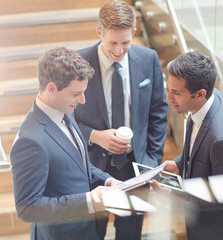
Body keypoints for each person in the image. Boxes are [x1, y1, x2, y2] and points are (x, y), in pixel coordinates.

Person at [74, 0, 168, 239]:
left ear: (134, 33)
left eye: (125, 42)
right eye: (112, 42)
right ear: (99, 32)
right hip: (92, 169)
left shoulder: (149, 59)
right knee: (91, 234)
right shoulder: (78, 63)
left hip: (135, 169)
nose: (118, 50)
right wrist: (95, 137)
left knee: (130, 235)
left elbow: (158, 113)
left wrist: (151, 161)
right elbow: (64, 118)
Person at [10, 47, 120, 240]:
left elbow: (77, 164)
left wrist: (106, 180)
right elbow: (27, 208)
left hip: (86, 230)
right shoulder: (30, 140)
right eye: (76, 93)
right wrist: (89, 201)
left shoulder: (64, 110)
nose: (83, 100)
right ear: (52, 89)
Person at [153, 51, 223, 240]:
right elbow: (198, 145)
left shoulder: (221, 140)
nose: (168, 97)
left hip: (219, 232)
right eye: (169, 89)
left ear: (200, 94)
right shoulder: (211, 96)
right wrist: (179, 163)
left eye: (176, 93)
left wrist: (173, 195)